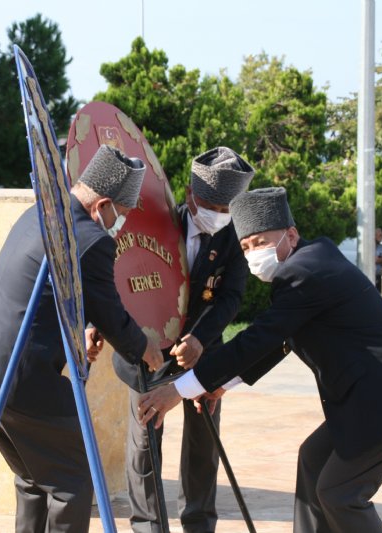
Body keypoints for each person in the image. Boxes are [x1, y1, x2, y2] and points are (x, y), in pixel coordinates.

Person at [137, 187, 382, 533]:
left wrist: (179, 389)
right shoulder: (309, 262)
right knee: (313, 461)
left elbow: (258, 338)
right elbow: (281, 340)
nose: (253, 253)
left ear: (291, 234)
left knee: (340, 494)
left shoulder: (305, 272)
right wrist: (223, 384)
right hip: (376, 396)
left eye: (260, 242)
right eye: (245, 247)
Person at [0, 144, 164, 533]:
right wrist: (146, 350)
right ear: (102, 205)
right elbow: (113, 315)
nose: (123, 223)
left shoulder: (41, 215)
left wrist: (78, 330)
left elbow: (49, 293)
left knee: (35, 480)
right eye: (125, 212)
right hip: (23, 381)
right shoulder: (90, 238)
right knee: (72, 482)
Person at [110, 146, 254, 533]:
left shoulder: (232, 235)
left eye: (227, 208)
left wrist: (199, 339)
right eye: (211, 206)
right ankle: (149, 527)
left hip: (203, 350)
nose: (219, 216)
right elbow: (124, 278)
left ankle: (199, 523)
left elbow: (231, 298)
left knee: (203, 446)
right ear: (190, 196)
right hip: (148, 349)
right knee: (145, 445)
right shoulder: (155, 224)